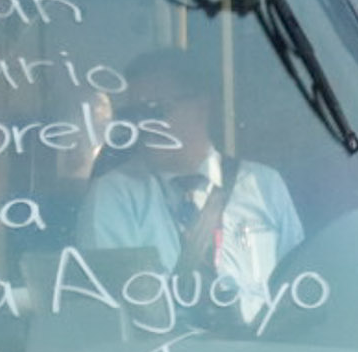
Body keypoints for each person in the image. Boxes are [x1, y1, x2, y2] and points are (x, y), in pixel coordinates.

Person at [73, 52, 305, 325]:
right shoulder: (114, 196)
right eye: (135, 114)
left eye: (156, 109)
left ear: (201, 107)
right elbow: (112, 314)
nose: (144, 125)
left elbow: (296, 288)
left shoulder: (264, 186)